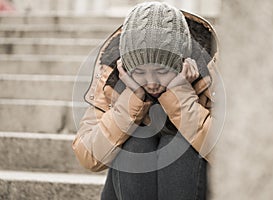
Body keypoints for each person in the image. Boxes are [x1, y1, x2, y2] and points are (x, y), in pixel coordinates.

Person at [72, 2, 220, 200]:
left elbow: (228, 155)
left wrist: (181, 95)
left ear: (183, 63)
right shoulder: (113, 79)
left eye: (162, 71)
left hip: (193, 181)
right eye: (139, 71)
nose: (151, 82)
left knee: (179, 146)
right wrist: (131, 100)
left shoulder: (210, 75)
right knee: (135, 144)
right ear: (125, 68)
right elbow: (88, 156)